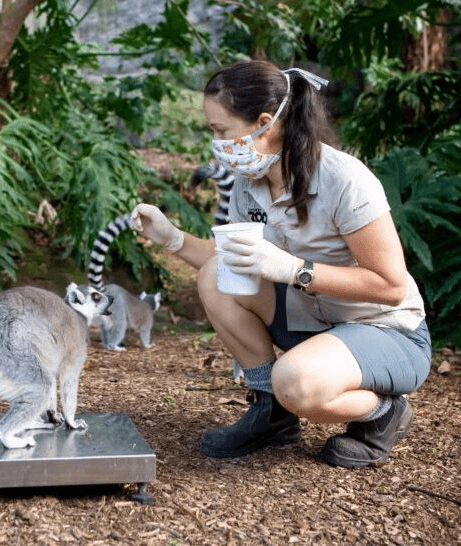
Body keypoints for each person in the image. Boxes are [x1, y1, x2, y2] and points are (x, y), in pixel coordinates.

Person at [130, 60, 431, 468]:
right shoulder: (248, 184)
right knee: (215, 277)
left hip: (386, 331)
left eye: (221, 131)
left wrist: (294, 269)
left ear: (264, 123)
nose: (216, 142)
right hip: (311, 321)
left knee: (296, 382)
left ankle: (383, 413)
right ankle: (272, 414)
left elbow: (390, 285)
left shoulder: (345, 179)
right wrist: (171, 237)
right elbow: (230, 259)